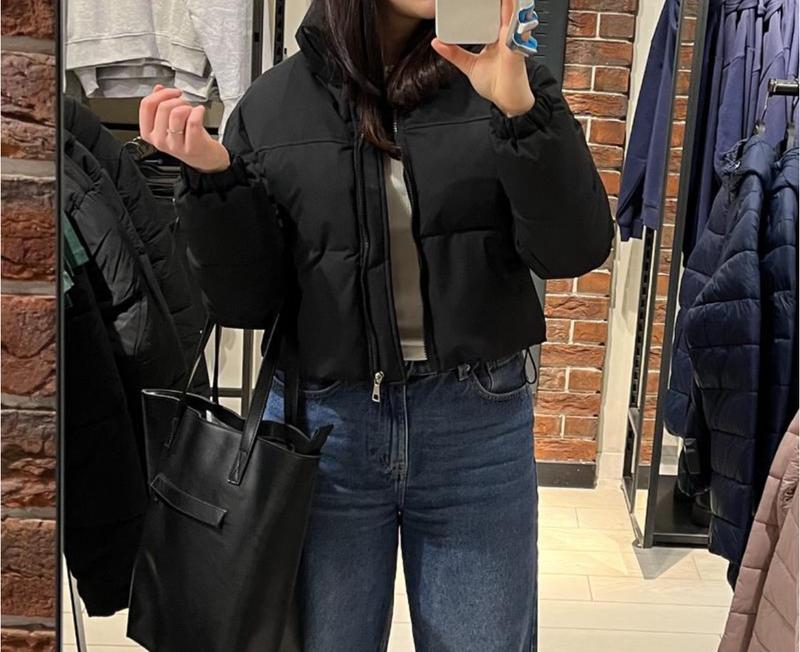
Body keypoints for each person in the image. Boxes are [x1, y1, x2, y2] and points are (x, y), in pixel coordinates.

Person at [138, 0, 614, 649]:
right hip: (323, 430)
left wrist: (520, 112)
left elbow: (574, 251)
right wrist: (215, 183)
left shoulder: (505, 80)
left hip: (474, 425)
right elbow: (246, 304)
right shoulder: (271, 107)